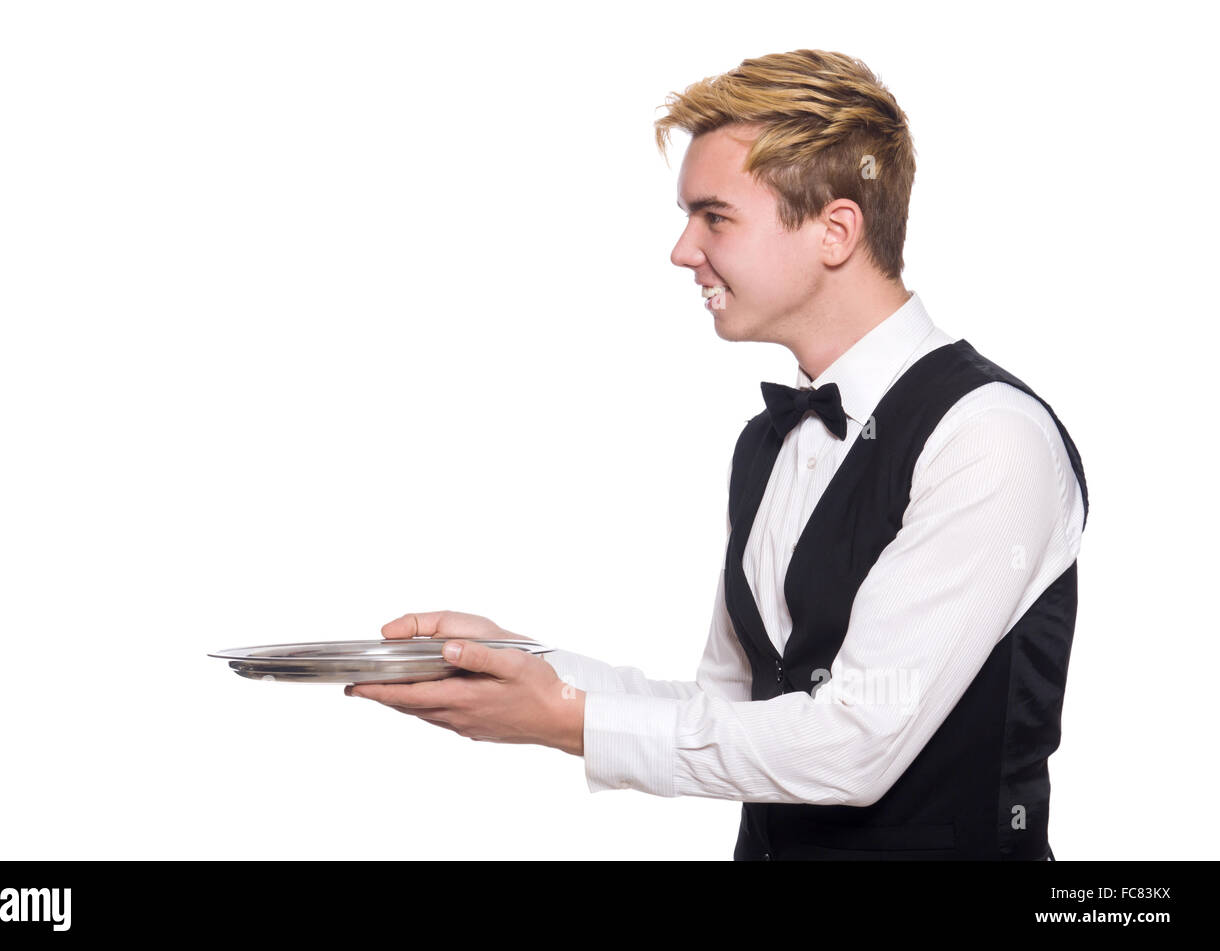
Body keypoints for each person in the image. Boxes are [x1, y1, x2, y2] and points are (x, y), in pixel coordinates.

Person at [346, 49, 1088, 861]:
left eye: (715, 216)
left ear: (835, 229)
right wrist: (515, 664)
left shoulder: (989, 436)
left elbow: (854, 744)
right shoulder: (768, 443)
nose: (681, 250)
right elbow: (730, 705)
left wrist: (566, 716)